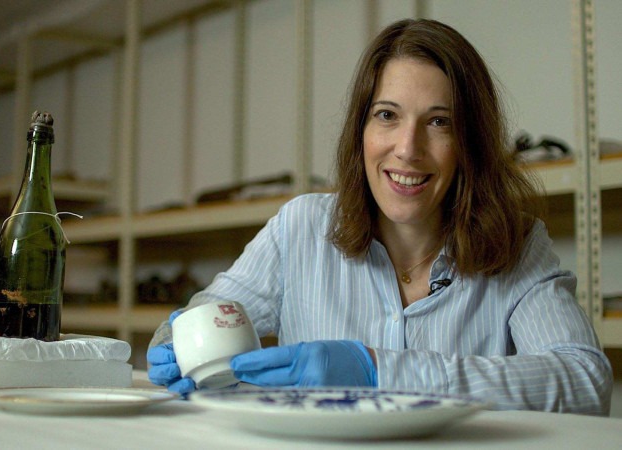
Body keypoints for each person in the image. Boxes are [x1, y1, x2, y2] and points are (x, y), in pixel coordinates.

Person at [147, 18, 612, 415]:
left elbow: (585, 381)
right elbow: (207, 311)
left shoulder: (518, 244)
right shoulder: (301, 229)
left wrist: (377, 370)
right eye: (387, 115)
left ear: (470, 142)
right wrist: (174, 341)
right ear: (361, 131)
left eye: (438, 122)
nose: (408, 149)